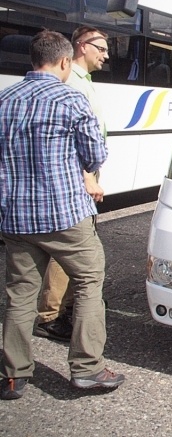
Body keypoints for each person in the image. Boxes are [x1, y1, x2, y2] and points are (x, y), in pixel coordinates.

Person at [0, 30, 124, 400]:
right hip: (65, 216)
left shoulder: (5, 99)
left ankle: (13, 375)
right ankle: (87, 368)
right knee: (89, 280)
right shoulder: (71, 99)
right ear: (65, 61)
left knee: (21, 293)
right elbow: (95, 155)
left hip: (16, 217)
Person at [34, 26, 108, 343]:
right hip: (76, 178)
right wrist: (87, 176)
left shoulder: (83, 80)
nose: (106, 55)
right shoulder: (72, 85)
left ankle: (63, 307)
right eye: (101, 48)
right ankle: (51, 314)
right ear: (81, 47)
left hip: (82, 175)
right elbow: (72, 142)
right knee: (67, 247)